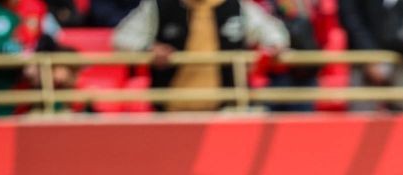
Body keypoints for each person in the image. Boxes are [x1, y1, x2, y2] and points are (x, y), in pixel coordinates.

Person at [110, 0, 289, 111]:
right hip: (170, 109)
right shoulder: (158, 6)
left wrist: (273, 47)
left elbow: (275, 34)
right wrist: (148, 48)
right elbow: (122, 38)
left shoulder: (238, 6)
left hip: (228, 110)